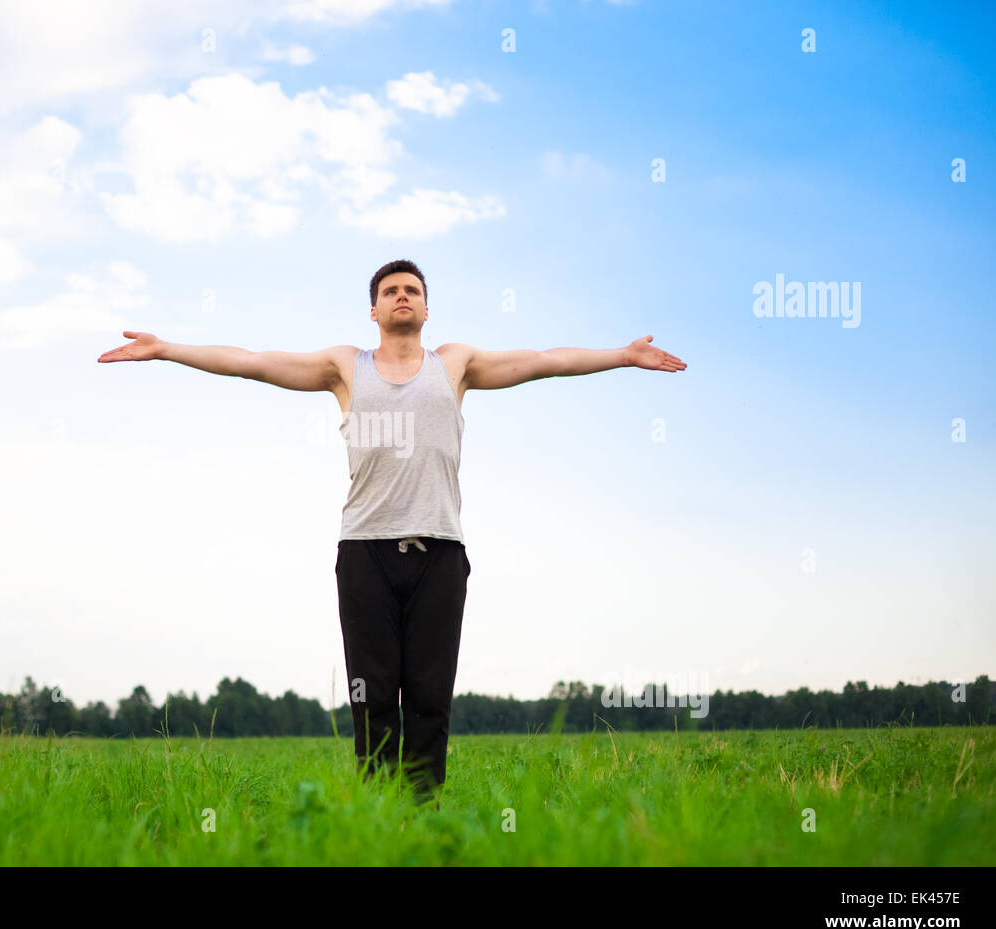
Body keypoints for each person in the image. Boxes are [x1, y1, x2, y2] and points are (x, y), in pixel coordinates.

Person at [97, 258, 686, 808]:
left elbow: (543, 360)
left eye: (412, 290)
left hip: (440, 551)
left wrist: (623, 356)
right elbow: (252, 360)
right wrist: (167, 349)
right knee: (373, 696)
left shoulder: (454, 364)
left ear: (426, 310)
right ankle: (378, 812)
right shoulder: (343, 366)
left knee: (429, 695)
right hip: (364, 553)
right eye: (390, 291)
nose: (402, 296)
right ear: (374, 311)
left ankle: (424, 811)